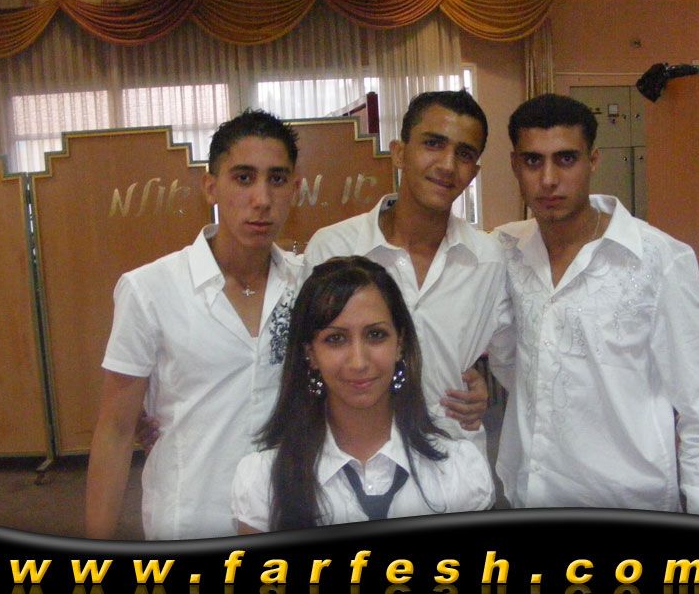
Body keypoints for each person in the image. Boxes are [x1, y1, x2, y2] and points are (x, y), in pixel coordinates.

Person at [488, 93, 699, 516]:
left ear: (593, 161)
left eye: (566, 159)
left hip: (627, 498)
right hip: (531, 489)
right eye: (533, 161)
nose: (548, 179)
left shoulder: (657, 259)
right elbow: (509, 357)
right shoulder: (505, 250)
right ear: (515, 165)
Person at [84, 109, 302, 539]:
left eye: (276, 179)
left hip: (286, 512)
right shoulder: (150, 289)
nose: (261, 198)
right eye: (243, 178)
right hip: (189, 519)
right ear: (211, 187)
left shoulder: (308, 284)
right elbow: (115, 430)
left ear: (294, 189)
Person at [303, 90, 510, 456]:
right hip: (352, 460)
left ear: (474, 172)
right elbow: (306, 359)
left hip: (452, 459)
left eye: (464, 154)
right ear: (399, 152)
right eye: (433, 144)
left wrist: (480, 389)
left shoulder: (488, 260)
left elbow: (514, 358)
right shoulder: (333, 249)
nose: (447, 165)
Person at [232, 256, 495, 532]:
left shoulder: (458, 469)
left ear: (400, 343)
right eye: (336, 339)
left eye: (375, 335)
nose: (358, 362)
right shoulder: (264, 481)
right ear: (310, 353)